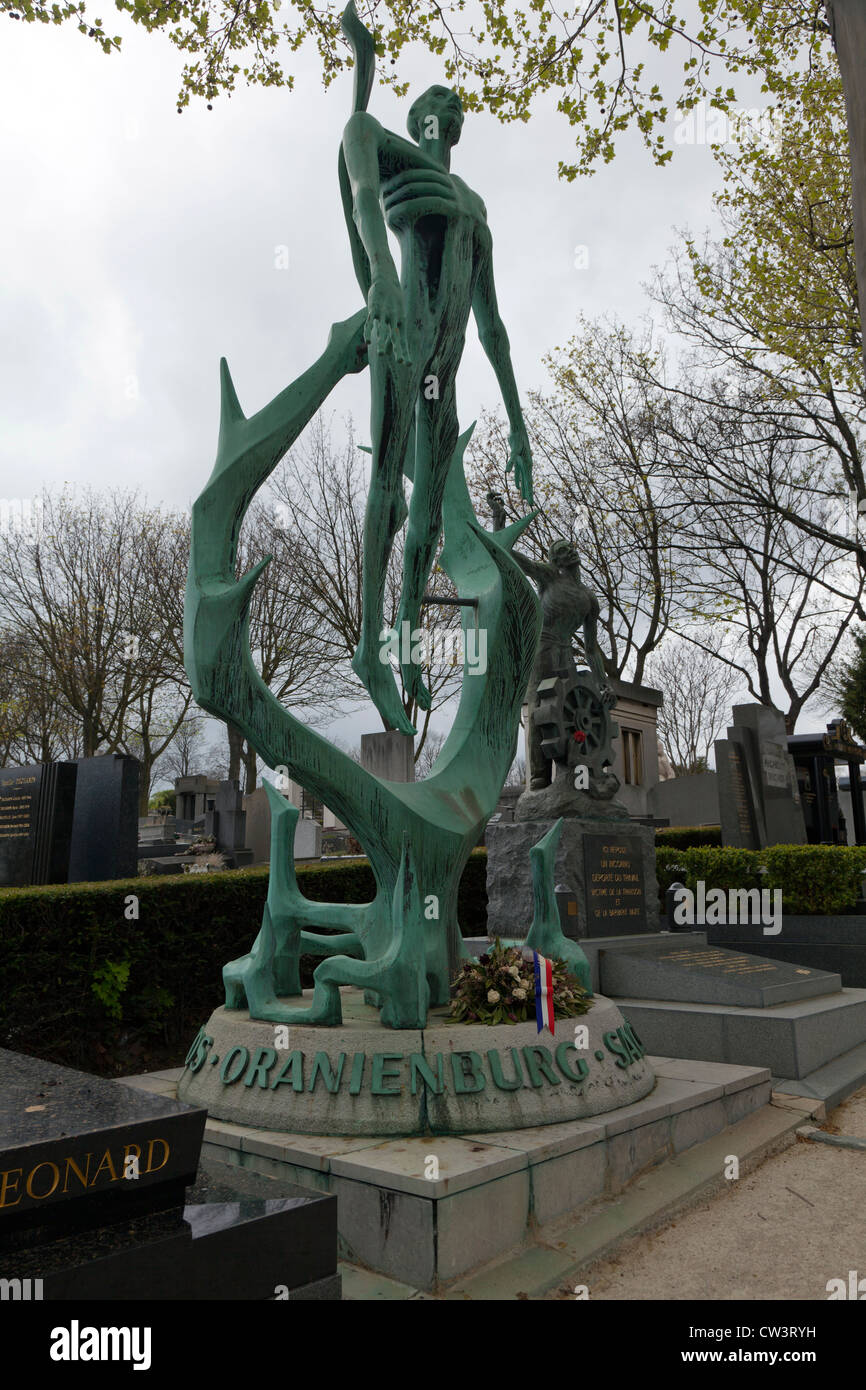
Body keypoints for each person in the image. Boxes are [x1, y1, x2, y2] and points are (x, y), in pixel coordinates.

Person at [339, 2, 533, 735]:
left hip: (444, 368)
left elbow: (494, 324)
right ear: (416, 121)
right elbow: (358, 182)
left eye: (450, 114)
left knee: (424, 517)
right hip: (401, 340)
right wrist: (382, 278)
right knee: (387, 492)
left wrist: (518, 424)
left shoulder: (474, 206)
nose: (441, 120)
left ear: (456, 130)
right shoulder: (392, 158)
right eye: (431, 110)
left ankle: (408, 646)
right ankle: (369, 649)